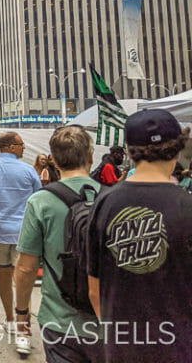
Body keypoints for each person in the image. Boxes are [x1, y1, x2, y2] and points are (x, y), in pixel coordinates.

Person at [88, 110, 192, 363]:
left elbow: (94, 290)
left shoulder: (104, 203)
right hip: (179, 346)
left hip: (121, 345)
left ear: (129, 150)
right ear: (177, 149)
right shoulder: (187, 206)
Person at [14, 126, 102, 360]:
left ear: (53, 159)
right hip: (108, 323)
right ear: (91, 156)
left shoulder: (40, 202)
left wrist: (22, 313)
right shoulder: (113, 198)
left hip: (60, 321)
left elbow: (26, 268)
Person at [0, 133, 41, 336]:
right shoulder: (29, 170)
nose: (23, 148)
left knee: (4, 275)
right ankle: (24, 323)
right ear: (11, 147)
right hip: (24, 233)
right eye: (21, 144)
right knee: (23, 278)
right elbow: (38, 201)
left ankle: (10, 319)